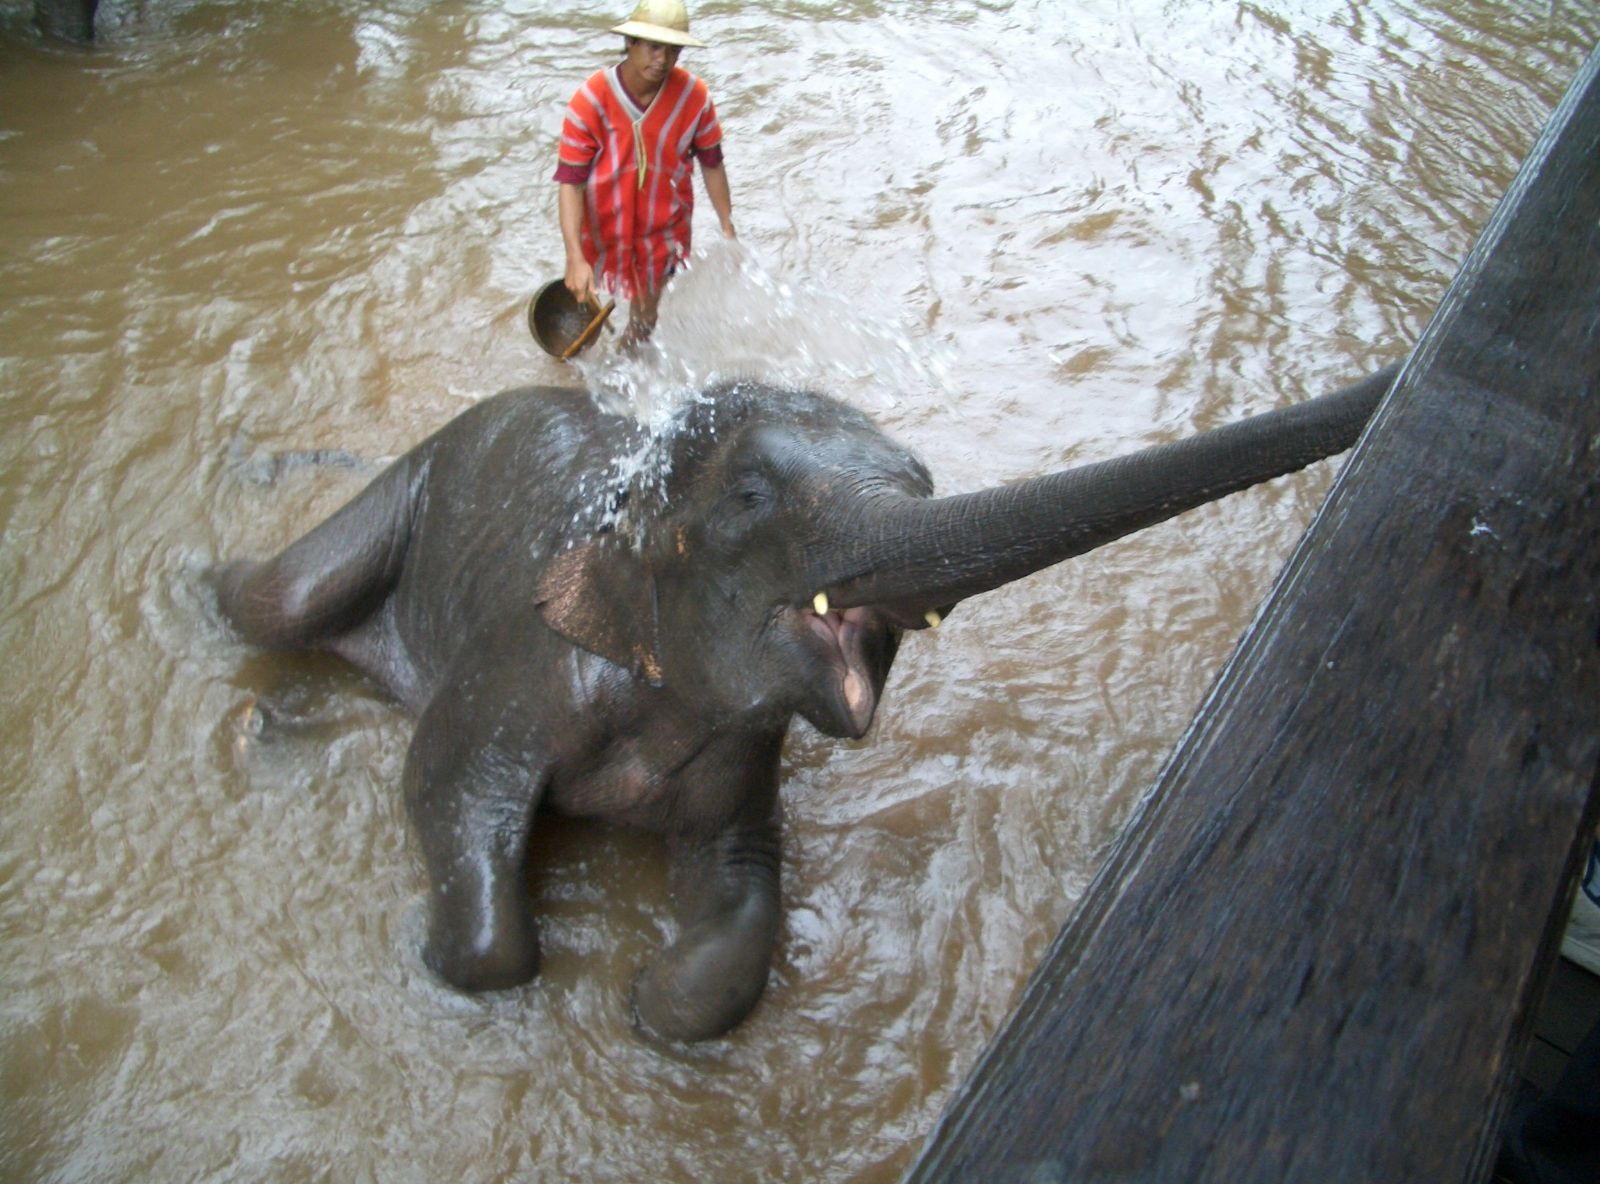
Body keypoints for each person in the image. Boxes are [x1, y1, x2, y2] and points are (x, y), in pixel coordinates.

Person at [554, 0, 736, 351]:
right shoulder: (591, 100)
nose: (662, 60)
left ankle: (626, 365)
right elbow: (571, 183)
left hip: (663, 229)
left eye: (672, 50)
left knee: (645, 318)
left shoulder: (695, 98)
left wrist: (727, 224)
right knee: (583, 292)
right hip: (604, 224)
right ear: (631, 43)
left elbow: (712, 162)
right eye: (653, 47)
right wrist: (574, 256)